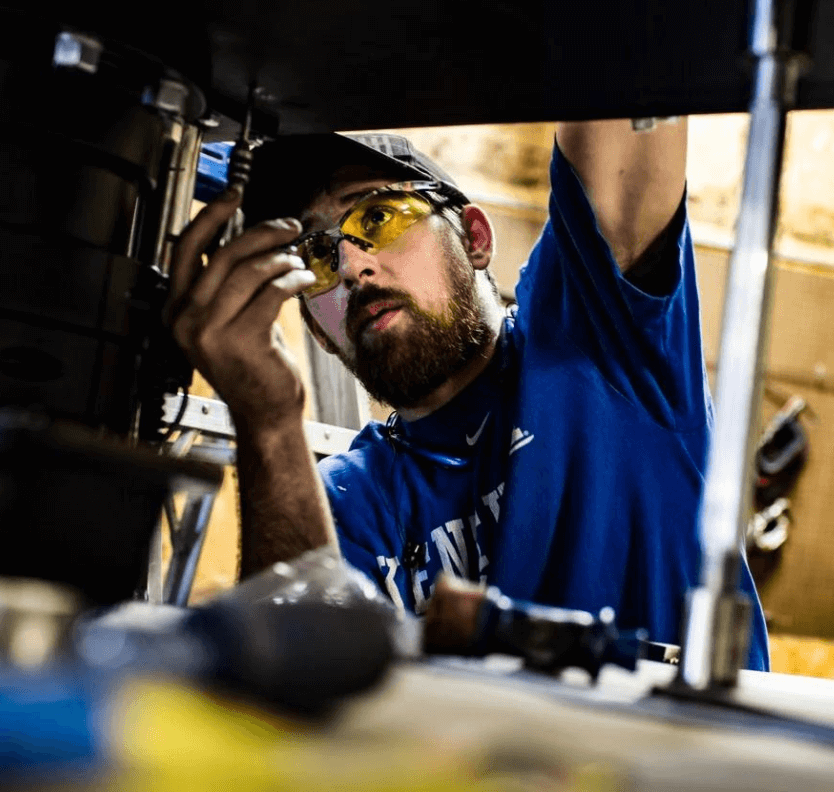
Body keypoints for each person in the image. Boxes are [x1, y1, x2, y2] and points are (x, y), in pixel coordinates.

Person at [166, 121, 769, 670]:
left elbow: (625, 81)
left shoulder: (596, 332)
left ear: (475, 238)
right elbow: (291, 692)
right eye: (317, 256)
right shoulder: (344, 505)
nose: (350, 266)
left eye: (378, 218)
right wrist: (269, 421)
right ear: (319, 333)